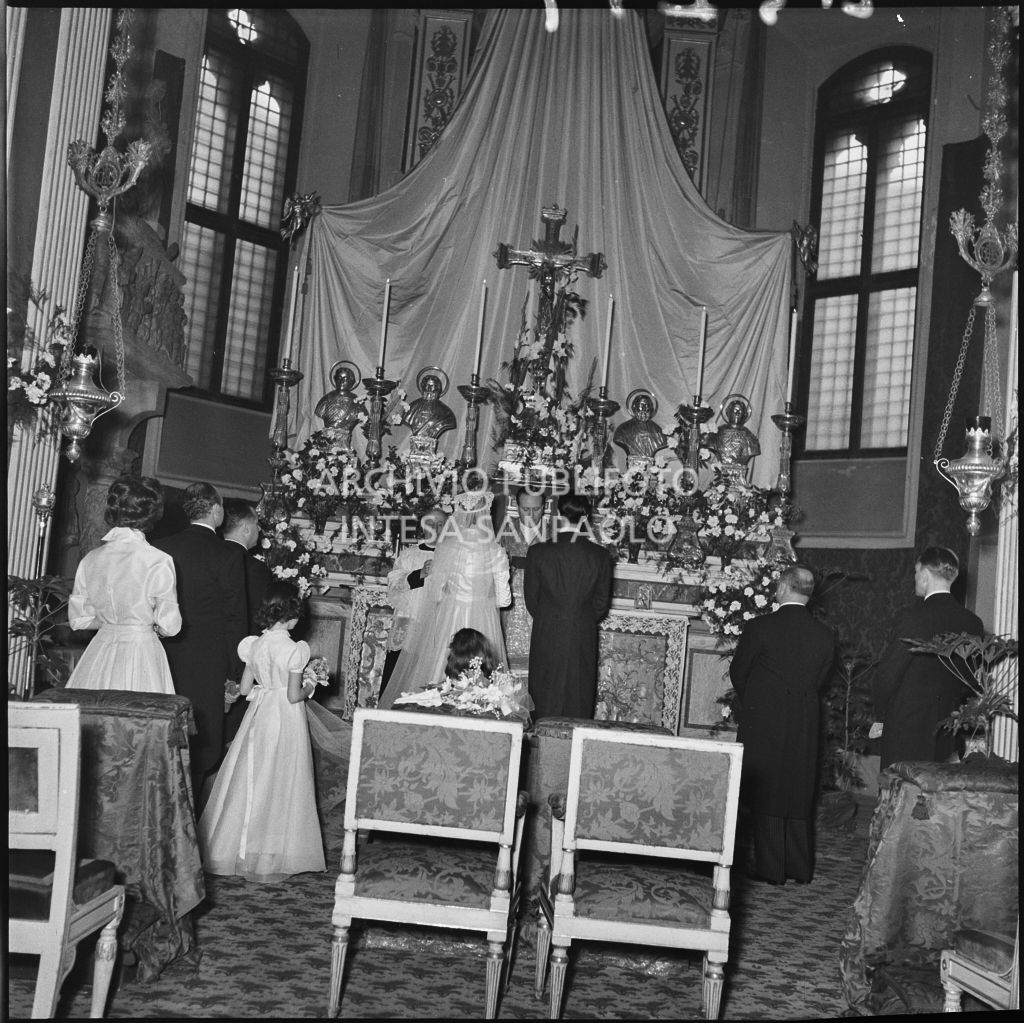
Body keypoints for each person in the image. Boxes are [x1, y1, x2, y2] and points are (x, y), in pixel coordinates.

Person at [198, 583, 326, 883]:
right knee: (281, 777)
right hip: (285, 716)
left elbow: (244, 689)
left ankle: (234, 846)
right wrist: (312, 684)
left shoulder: (253, 645)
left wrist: (267, 686)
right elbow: (295, 696)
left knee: (251, 774)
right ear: (293, 617)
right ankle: (271, 850)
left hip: (259, 713)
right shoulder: (295, 650)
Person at [728, 564, 836, 886]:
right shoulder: (825, 635)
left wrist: (759, 700)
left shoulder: (760, 627)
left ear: (783, 587)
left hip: (765, 718)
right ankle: (800, 867)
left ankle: (770, 868)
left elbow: (739, 672)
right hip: (805, 719)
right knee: (797, 785)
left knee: (767, 788)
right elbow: (819, 680)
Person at [153, 481, 248, 809]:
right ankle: (188, 817)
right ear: (217, 511)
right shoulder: (228, 554)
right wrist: (236, 670)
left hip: (164, 654)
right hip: (210, 659)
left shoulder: (161, 546)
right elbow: (235, 617)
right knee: (202, 745)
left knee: (165, 732)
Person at [378, 486, 511, 708]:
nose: (437, 528)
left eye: (441, 523)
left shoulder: (447, 549)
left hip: (450, 618)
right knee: (483, 676)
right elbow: (503, 601)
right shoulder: (496, 551)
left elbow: (436, 594)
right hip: (482, 622)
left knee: (437, 669)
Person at [871, 546, 984, 770]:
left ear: (924, 575)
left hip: (906, 726)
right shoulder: (973, 622)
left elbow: (888, 675)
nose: (915, 578)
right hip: (946, 727)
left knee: (900, 796)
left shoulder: (911, 618)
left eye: (915, 572)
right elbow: (970, 678)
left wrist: (880, 716)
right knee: (937, 798)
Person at [66, 475, 181, 694]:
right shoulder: (158, 560)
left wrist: (112, 624)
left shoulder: (90, 559)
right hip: (142, 651)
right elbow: (170, 626)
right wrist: (142, 625)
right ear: (152, 514)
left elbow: (79, 619)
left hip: (99, 651)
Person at [524, 491, 613, 719]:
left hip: (547, 629)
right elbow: (601, 604)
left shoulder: (537, 551)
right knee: (578, 691)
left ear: (557, 514)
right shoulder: (601, 556)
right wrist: (579, 617)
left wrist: (550, 616)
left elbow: (531, 600)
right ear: (586, 517)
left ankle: (543, 742)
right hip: (582, 631)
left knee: (545, 688)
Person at [381, 506, 449, 695]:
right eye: (430, 523)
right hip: (409, 621)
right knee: (399, 675)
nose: (435, 527)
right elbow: (394, 584)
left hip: (436, 626)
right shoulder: (409, 554)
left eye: (440, 524)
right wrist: (421, 573)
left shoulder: (453, 555)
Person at [222, 498, 274, 743]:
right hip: (242, 656)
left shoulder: (210, 557)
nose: (258, 531)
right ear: (245, 528)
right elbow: (262, 618)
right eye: (256, 525)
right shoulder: (256, 569)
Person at [499, 488, 547, 669]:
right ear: (517, 507)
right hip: (510, 604)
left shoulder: (553, 534)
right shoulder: (503, 532)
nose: (531, 514)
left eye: (536, 509)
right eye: (526, 509)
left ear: (544, 507)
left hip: (541, 605)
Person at [707, 394, 760, 484]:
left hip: (740, 478)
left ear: (744, 415)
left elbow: (752, 450)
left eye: (740, 411)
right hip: (722, 478)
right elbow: (711, 443)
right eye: (734, 410)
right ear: (728, 412)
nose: (737, 413)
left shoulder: (750, 436)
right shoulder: (716, 433)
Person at [314, 360, 364, 449]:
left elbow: (363, 416)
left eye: (345, 379)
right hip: (327, 442)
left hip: (344, 444)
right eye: (339, 378)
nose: (341, 381)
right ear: (334, 379)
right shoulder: (326, 399)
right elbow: (319, 411)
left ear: (352, 381)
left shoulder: (356, 402)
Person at [613, 390, 668, 462]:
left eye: (647, 409)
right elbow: (618, 439)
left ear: (651, 410)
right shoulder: (622, 430)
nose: (644, 413)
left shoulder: (658, 431)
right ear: (634, 409)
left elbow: (663, 443)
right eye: (641, 408)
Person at [402, 366, 457, 439]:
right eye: (427, 385)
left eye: (432, 386)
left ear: (438, 388)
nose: (429, 388)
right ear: (422, 386)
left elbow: (449, 422)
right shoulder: (411, 407)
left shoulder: (446, 413)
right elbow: (406, 417)